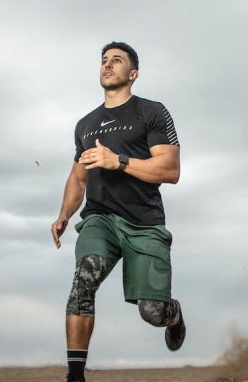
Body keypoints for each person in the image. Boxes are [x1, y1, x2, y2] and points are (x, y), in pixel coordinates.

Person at [50, 41, 185, 382]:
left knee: (151, 312)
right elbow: (78, 177)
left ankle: (174, 315)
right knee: (84, 280)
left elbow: (170, 170)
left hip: (144, 223)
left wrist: (118, 161)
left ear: (133, 73)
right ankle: (75, 376)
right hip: (100, 219)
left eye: (117, 60)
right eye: (104, 60)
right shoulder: (86, 124)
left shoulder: (150, 112)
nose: (107, 65)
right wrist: (65, 214)